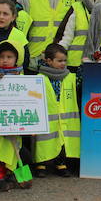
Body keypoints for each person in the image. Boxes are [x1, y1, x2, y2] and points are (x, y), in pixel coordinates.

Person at [0, 41, 33, 191]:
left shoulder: (22, 78)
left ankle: (11, 173)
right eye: (2, 56)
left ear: (16, 59)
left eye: (9, 57)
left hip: (14, 122)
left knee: (15, 149)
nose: (5, 60)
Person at [35, 44, 79, 178]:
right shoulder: (39, 78)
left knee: (63, 140)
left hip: (63, 117)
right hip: (46, 116)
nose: (63, 63)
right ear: (48, 61)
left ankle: (61, 163)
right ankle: (40, 164)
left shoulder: (70, 77)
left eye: (65, 60)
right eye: (59, 61)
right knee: (42, 141)